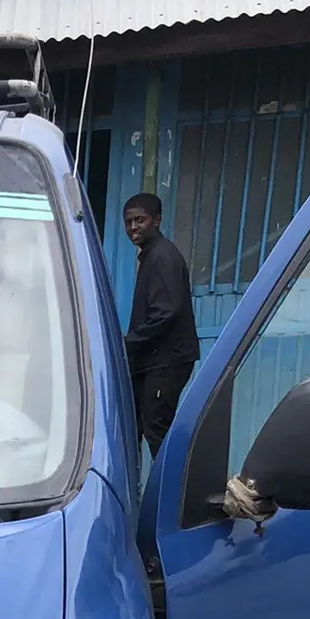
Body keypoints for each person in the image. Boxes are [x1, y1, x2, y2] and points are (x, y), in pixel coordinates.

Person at [123, 192, 199, 455]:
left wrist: (128, 343)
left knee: (157, 430)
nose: (133, 227)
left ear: (157, 220)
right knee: (138, 427)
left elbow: (166, 313)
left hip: (167, 360)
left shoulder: (162, 257)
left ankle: (170, 494)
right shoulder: (150, 255)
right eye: (129, 221)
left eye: (140, 220)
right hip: (153, 360)